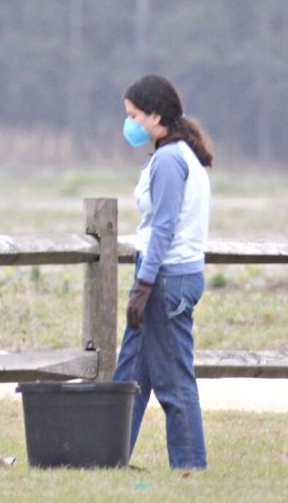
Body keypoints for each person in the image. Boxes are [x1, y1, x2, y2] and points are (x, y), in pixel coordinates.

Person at [111, 74, 212, 470]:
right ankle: (109, 456)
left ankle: (190, 466)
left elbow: (164, 228)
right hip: (167, 274)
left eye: (134, 116)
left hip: (166, 277)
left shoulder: (170, 161)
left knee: (173, 382)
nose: (130, 124)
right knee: (130, 375)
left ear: (155, 117)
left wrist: (144, 285)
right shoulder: (179, 154)